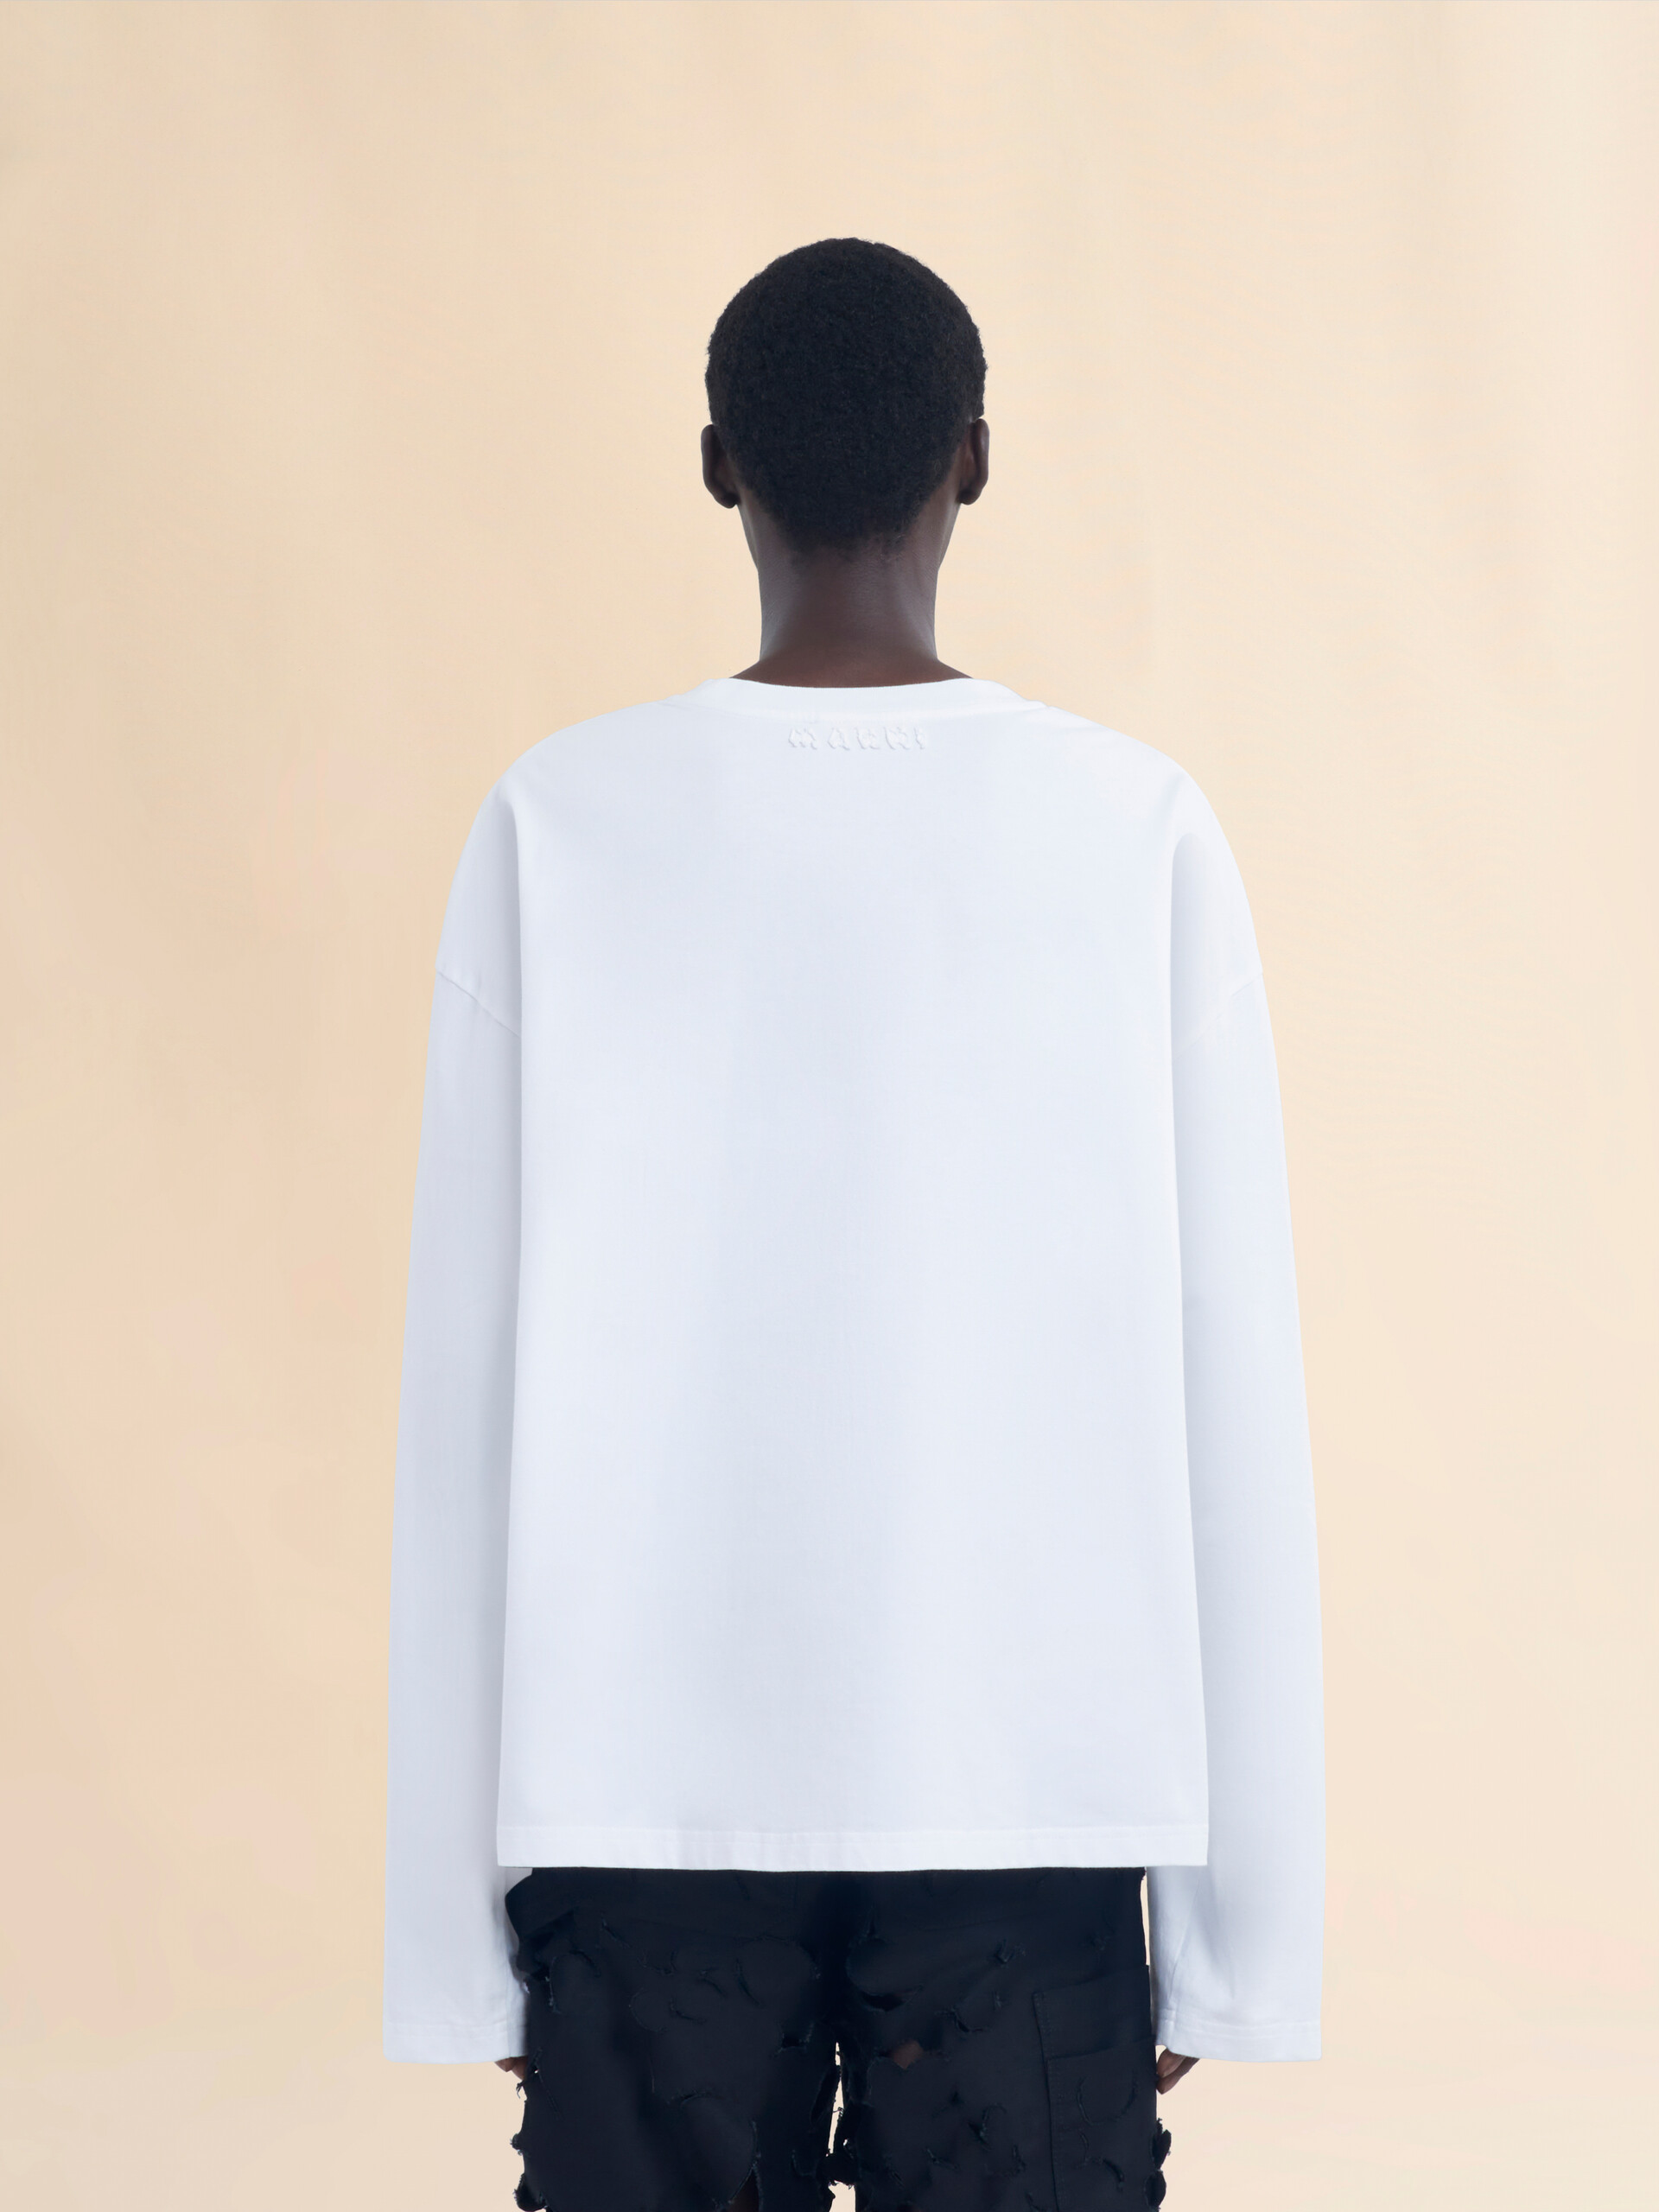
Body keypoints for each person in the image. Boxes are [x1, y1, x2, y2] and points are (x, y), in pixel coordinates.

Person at [383, 238, 1324, 2212]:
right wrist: (1242, 1936)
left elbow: (463, 1389)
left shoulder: (559, 823)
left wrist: (450, 1931)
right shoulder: (1134, 826)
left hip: (634, 1814)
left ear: (717, 462)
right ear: (972, 460)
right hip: (1035, 1804)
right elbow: (1231, 1379)